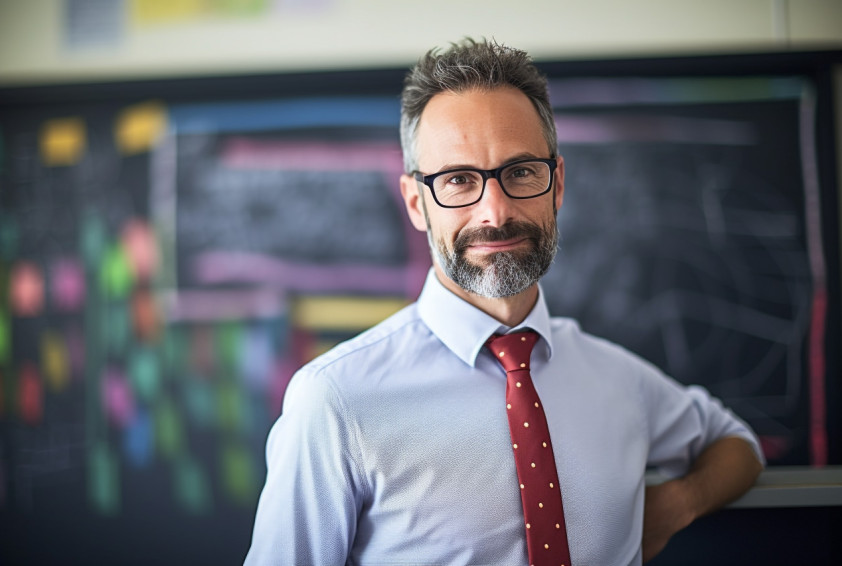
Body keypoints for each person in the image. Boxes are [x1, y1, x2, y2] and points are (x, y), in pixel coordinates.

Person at [244, 38, 764, 566]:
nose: (495, 211)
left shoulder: (619, 381)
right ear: (415, 203)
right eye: (458, 180)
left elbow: (736, 446)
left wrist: (676, 505)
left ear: (556, 184)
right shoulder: (334, 401)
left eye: (520, 172)